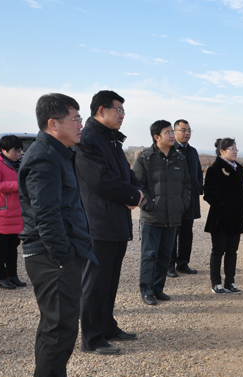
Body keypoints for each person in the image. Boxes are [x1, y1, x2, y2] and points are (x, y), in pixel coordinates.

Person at [19, 93, 97, 377]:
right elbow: (46, 215)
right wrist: (64, 256)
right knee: (58, 329)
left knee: (57, 327)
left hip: (58, 255)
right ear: (54, 123)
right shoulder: (44, 159)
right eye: (75, 118)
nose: (80, 124)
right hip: (51, 258)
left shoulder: (58, 153)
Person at [75, 90, 143, 356]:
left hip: (115, 220)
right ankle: (91, 337)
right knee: (94, 282)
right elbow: (100, 179)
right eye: (118, 110)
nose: (122, 115)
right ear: (101, 110)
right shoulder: (88, 139)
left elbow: (128, 173)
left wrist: (137, 192)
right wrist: (131, 195)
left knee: (110, 279)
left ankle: (107, 326)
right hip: (98, 221)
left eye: (124, 111)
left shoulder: (112, 140)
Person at [134, 120, 191, 306]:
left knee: (165, 255)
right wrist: (149, 205)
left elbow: (186, 185)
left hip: (173, 216)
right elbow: (137, 185)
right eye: (168, 132)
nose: (172, 135)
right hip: (152, 217)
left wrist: (182, 204)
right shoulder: (145, 159)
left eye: (172, 132)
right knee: (149, 254)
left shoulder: (180, 159)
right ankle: (147, 290)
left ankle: (158, 289)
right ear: (157, 137)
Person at [203, 138, 243, 294]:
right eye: (231, 148)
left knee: (232, 251)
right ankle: (216, 282)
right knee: (218, 251)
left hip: (236, 218)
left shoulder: (240, 169)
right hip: (220, 219)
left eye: (236, 147)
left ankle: (230, 281)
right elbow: (208, 194)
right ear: (222, 151)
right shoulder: (214, 169)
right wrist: (221, 207)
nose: (235, 150)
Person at [0, 135, 26, 290]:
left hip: (15, 212)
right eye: (15, 151)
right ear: (3, 150)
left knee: (13, 245)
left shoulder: (17, 163)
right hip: (0, 212)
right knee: (1, 246)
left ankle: (12, 275)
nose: (18, 154)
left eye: (20, 151)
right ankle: (1, 278)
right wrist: (19, 185)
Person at [168, 119, 203, 278]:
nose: (187, 133)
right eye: (183, 130)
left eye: (189, 130)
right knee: (172, 232)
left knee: (187, 232)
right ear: (174, 132)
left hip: (191, 198)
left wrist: (198, 189)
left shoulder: (193, 151)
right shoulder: (170, 150)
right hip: (175, 199)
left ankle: (183, 263)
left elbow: (198, 173)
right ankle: (169, 265)